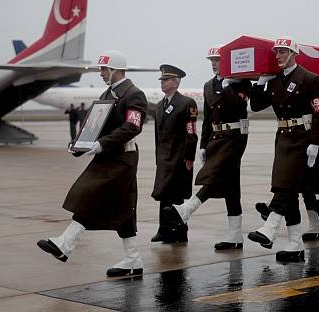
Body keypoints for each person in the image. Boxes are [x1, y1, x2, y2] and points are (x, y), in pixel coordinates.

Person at [37, 50, 148, 277]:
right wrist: (78, 145)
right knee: (124, 209)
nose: (101, 73)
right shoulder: (108, 93)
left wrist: (101, 144)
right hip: (107, 156)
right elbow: (93, 124)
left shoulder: (134, 94)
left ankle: (65, 244)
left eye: (104, 69)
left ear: (116, 70)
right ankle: (133, 259)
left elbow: (132, 127)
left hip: (122, 159)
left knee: (90, 195)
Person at [162, 44, 250, 250]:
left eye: (217, 60)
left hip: (235, 137)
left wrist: (229, 86)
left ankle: (187, 209)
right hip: (217, 138)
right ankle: (235, 236)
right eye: (211, 61)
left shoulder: (240, 82)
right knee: (231, 187)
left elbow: (239, 107)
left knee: (214, 174)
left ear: (227, 61)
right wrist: (203, 144)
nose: (214, 65)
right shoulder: (208, 86)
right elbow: (207, 119)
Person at [246, 36, 319, 263]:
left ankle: (270, 227)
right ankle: (295, 243)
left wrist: (315, 142)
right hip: (283, 138)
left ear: (293, 54)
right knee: (287, 189)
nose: (279, 56)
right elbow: (256, 105)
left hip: (303, 137)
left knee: (286, 186)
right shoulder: (275, 80)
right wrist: (260, 83)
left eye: (283, 52)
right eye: (277, 52)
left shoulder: (311, 79)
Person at [151, 64, 198, 243]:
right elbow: (158, 135)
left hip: (179, 158)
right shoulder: (159, 105)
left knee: (177, 197)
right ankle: (164, 230)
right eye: (162, 80)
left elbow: (191, 132)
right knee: (164, 194)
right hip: (164, 158)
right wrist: (158, 157)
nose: (162, 83)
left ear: (176, 82)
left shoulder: (186, 103)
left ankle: (179, 231)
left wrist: (189, 157)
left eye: (166, 80)